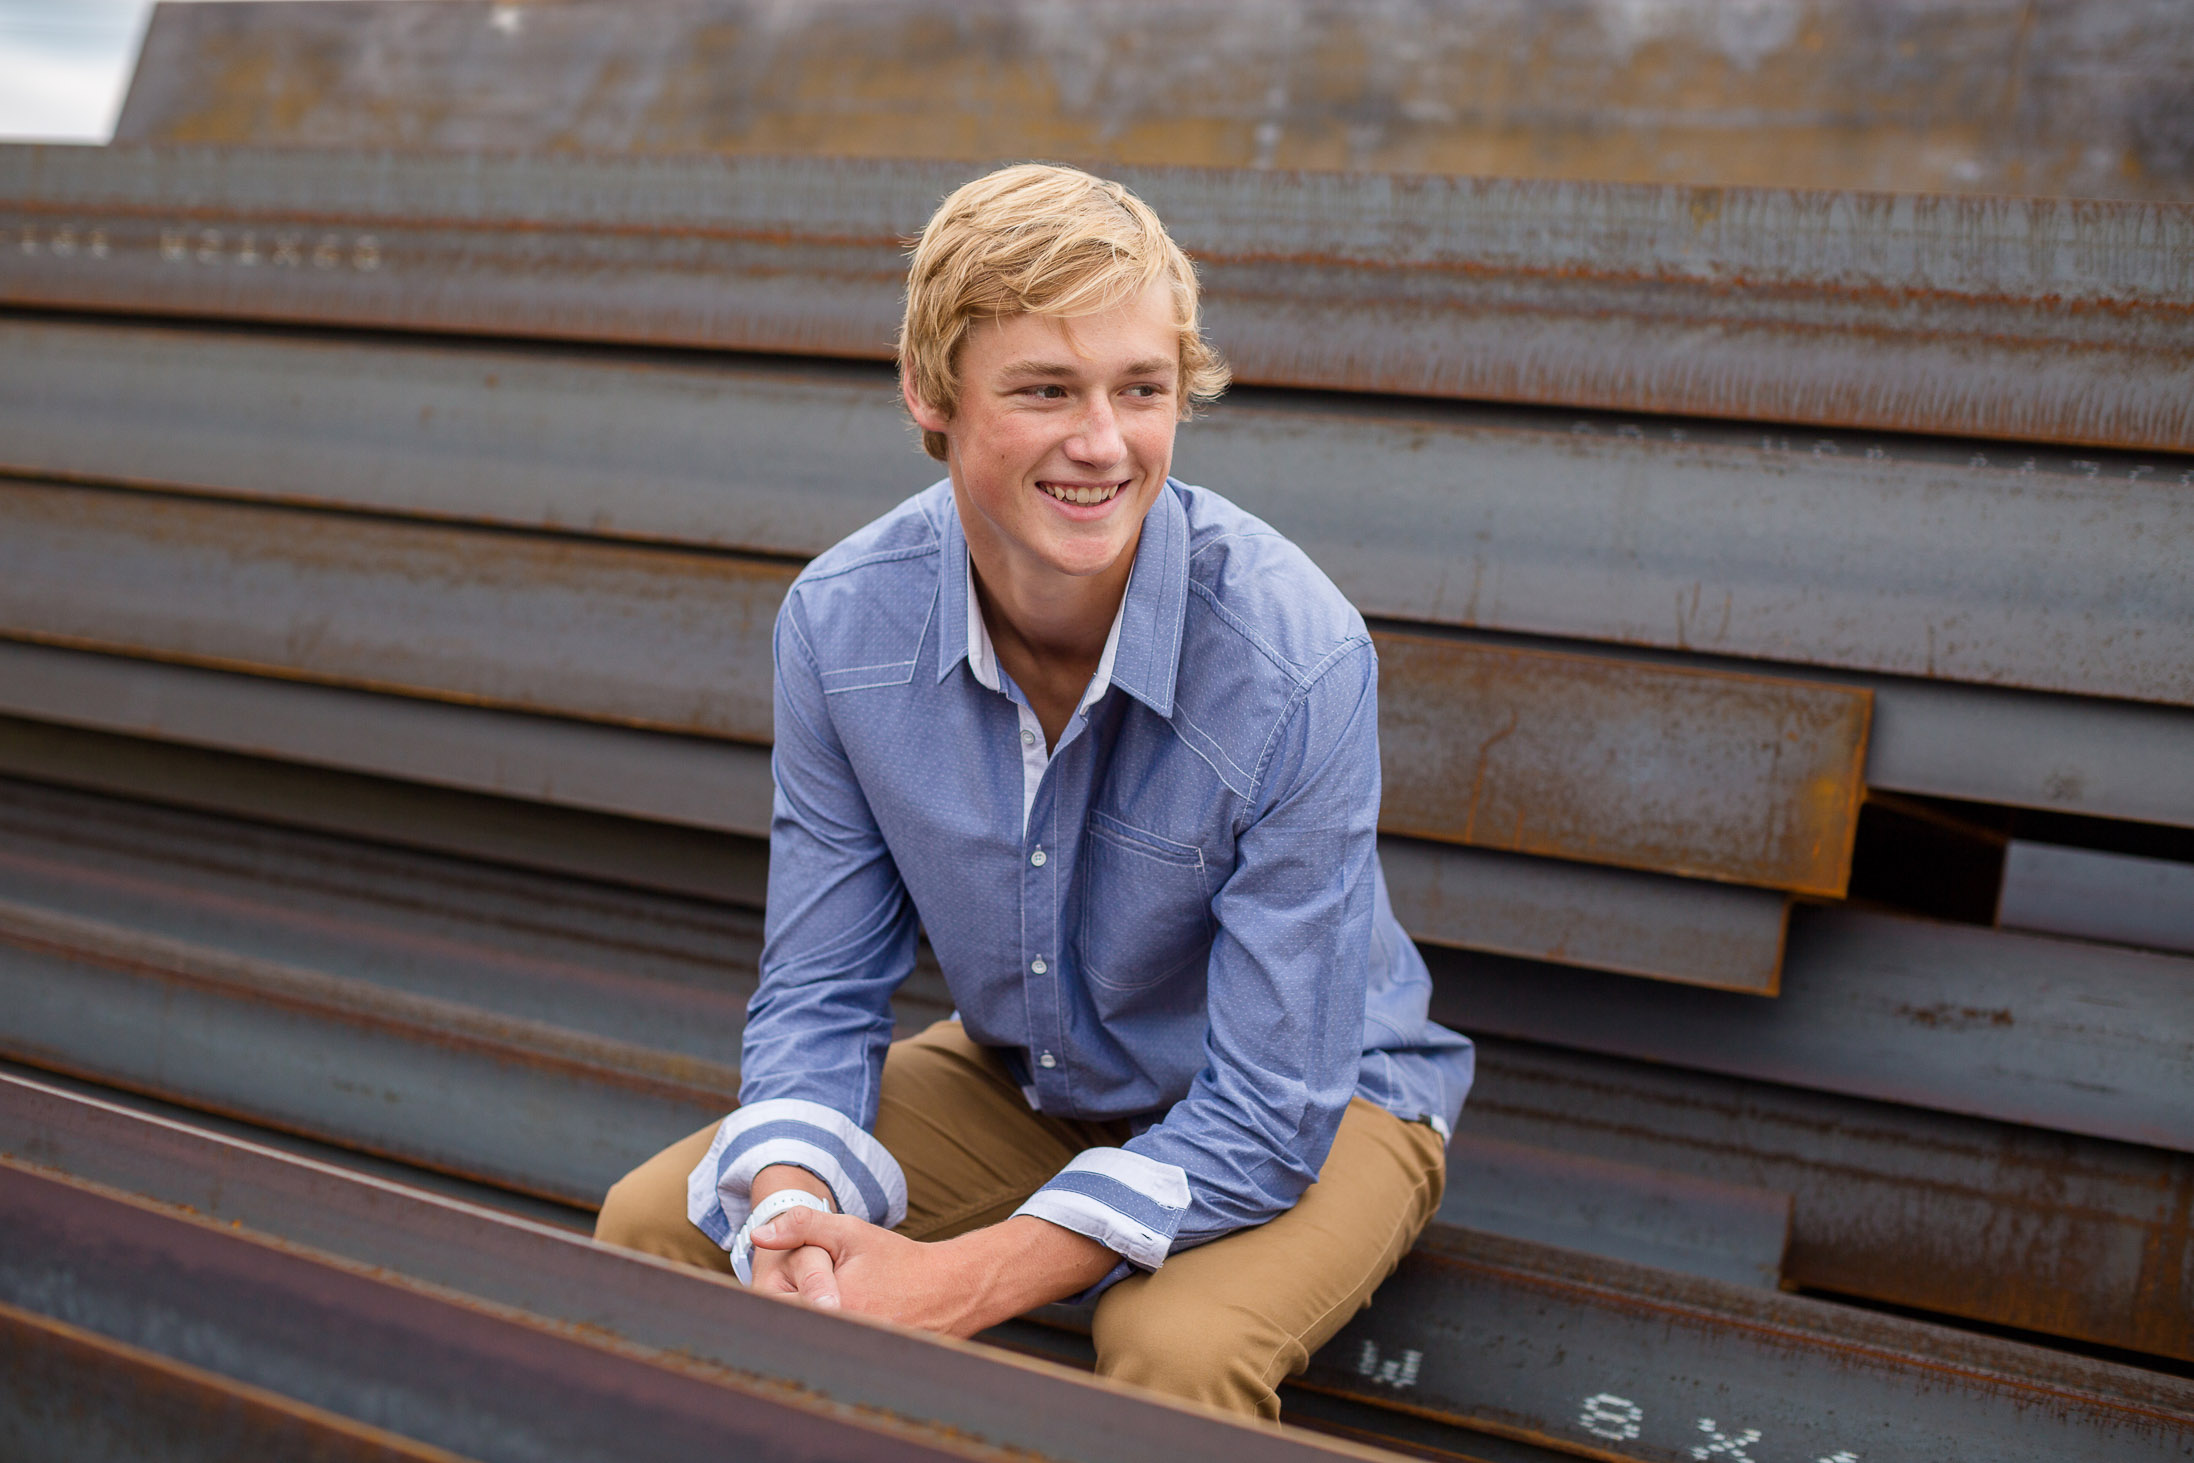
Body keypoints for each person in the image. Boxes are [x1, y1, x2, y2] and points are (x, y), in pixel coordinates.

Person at [593, 162, 1474, 1422]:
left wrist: (951, 1279)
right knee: (665, 1225)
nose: (1102, 442)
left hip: (1324, 1098)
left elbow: (1274, 1105)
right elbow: (820, 984)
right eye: (1045, 389)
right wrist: (789, 1197)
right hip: (1036, 1075)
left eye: (1141, 390)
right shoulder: (844, 627)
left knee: (1168, 1347)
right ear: (931, 397)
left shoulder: (1297, 657)